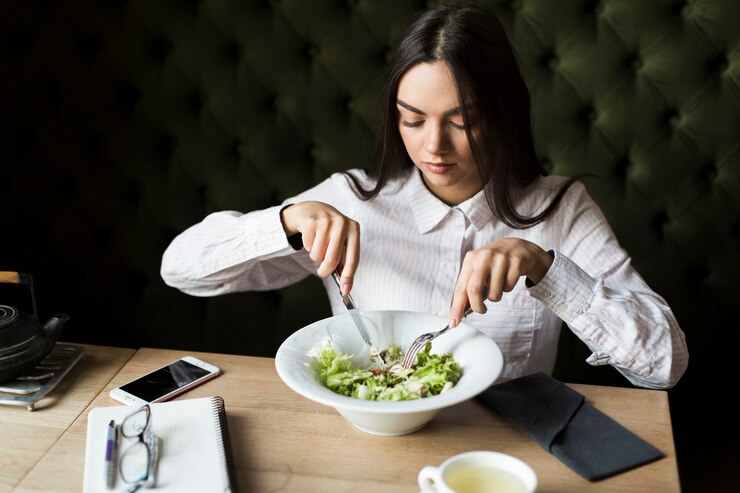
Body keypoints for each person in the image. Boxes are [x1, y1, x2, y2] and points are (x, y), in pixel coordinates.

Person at [161, 4, 688, 389]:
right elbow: (180, 269)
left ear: (501, 116)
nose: (433, 146)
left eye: (462, 122)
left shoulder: (561, 208)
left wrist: (546, 268)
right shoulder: (352, 197)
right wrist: (288, 220)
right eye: (413, 120)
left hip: (505, 452)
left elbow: (666, 365)